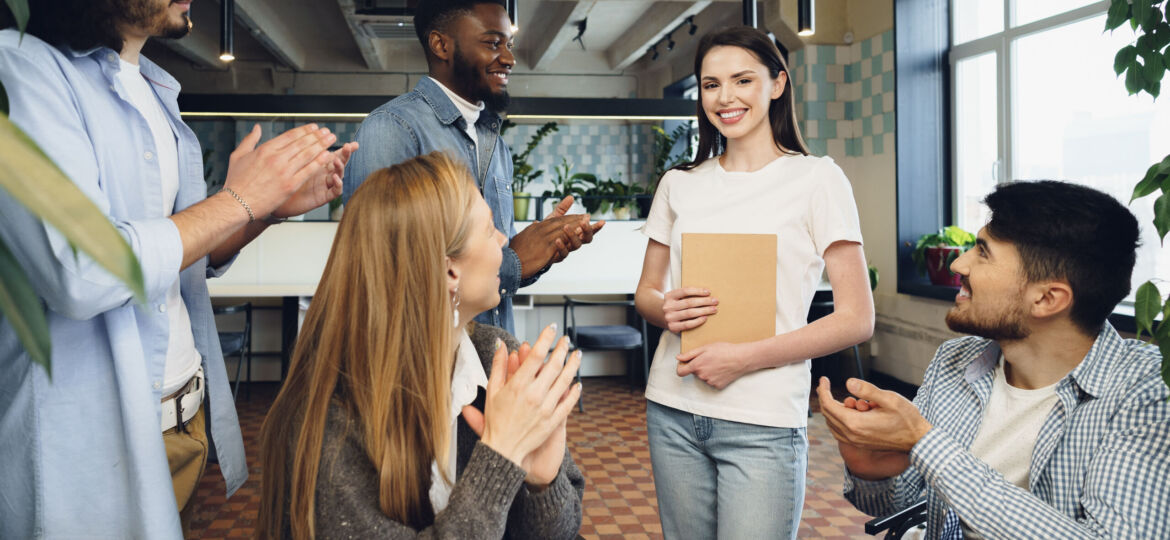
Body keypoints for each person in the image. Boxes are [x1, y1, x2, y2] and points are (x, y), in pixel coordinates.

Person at [0, 1, 358, 538]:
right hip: (94, 438)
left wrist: (263, 210)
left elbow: (176, 258)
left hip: (183, 421)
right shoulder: (21, 67)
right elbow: (82, 270)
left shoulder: (153, 85)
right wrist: (240, 198)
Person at [257, 151, 585, 540]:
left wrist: (542, 482)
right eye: (490, 228)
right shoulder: (332, 416)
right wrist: (501, 456)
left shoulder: (498, 353)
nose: (503, 241)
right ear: (449, 270)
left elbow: (563, 531)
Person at [818, 181, 1170, 538]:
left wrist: (925, 442)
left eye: (983, 252)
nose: (959, 263)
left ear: (1048, 298)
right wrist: (872, 471)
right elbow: (902, 502)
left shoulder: (1145, 391)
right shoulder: (956, 360)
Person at [634, 26, 875, 539]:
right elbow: (647, 293)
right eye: (711, 84)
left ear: (778, 83)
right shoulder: (679, 184)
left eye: (742, 80)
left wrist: (742, 358)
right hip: (672, 411)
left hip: (763, 421)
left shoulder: (817, 179)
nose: (726, 98)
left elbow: (857, 318)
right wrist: (664, 308)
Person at [341, 0, 603, 334]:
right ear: (441, 45)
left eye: (508, 44)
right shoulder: (392, 129)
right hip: (423, 367)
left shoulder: (495, 144)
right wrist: (515, 260)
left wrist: (540, 249)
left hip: (488, 364)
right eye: (493, 44)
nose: (509, 58)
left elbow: (496, 272)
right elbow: (380, 271)